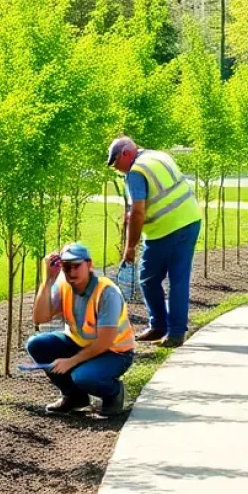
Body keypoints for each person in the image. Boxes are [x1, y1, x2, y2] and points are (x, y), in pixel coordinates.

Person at [108, 136, 202, 348]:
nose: (117, 169)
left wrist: (130, 247)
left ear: (126, 154)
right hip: (190, 220)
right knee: (179, 279)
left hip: (164, 229)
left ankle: (161, 326)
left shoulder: (135, 172)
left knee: (148, 279)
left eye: (116, 164)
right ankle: (172, 331)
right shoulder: (159, 156)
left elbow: (139, 211)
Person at [25, 242, 135, 417]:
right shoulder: (64, 285)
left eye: (76, 266)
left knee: (82, 377)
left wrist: (71, 361)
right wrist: (48, 280)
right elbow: (39, 318)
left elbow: (104, 342)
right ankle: (75, 397)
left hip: (115, 352)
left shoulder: (107, 292)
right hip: (79, 343)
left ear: (89, 264)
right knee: (36, 344)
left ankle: (114, 392)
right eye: (66, 267)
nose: (71, 272)